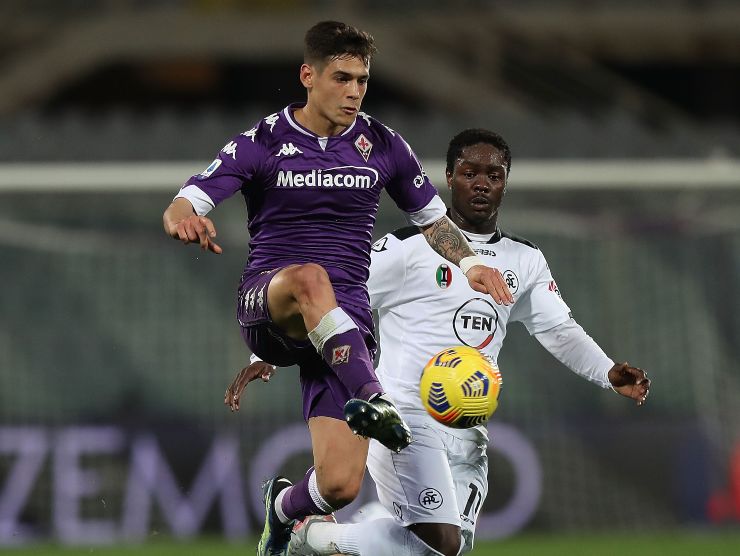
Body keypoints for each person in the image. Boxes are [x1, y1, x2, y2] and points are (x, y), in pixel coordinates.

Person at [164, 21, 513, 556]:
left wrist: (470, 265)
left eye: (363, 80)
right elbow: (186, 201)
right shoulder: (262, 142)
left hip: (343, 327)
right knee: (311, 277)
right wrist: (185, 217)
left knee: (339, 486)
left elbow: (434, 221)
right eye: (342, 77)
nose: (354, 91)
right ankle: (375, 398)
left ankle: (282, 511)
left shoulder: (384, 146)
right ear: (309, 75)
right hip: (271, 300)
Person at [228, 128, 651, 556]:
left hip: (467, 424)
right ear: (449, 177)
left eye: (494, 174)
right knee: (441, 543)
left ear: (505, 182)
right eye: (470, 172)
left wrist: (607, 370)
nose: (482, 183)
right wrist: (266, 353)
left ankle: (324, 531)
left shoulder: (525, 261)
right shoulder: (405, 249)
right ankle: (308, 536)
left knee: (445, 549)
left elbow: (559, 328)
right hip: (402, 418)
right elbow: (329, 302)